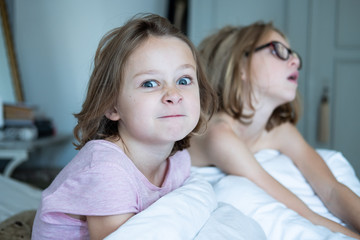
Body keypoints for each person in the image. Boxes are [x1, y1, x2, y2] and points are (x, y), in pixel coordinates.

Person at [32, 13, 216, 240]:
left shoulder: (179, 161)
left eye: (184, 80)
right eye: (150, 83)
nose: (173, 95)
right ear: (112, 106)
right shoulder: (107, 171)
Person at [189, 21, 360, 239]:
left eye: (293, 54)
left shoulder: (279, 130)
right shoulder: (220, 135)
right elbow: (302, 213)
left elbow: (332, 190)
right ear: (242, 65)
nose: (296, 61)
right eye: (279, 50)